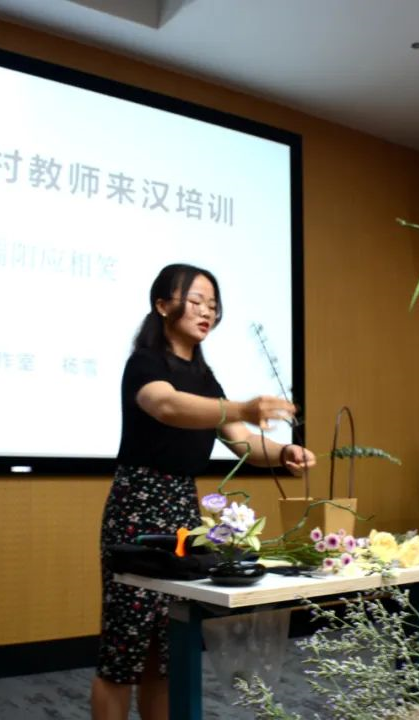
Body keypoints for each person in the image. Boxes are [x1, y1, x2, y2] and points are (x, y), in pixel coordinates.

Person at [90, 263, 316, 720]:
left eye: (212, 304)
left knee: (166, 650)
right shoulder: (146, 363)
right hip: (138, 507)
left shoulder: (206, 378)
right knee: (123, 651)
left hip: (182, 510)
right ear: (162, 305)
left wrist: (285, 451)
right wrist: (242, 407)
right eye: (195, 301)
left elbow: (242, 441)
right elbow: (167, 406)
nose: (206, 311)